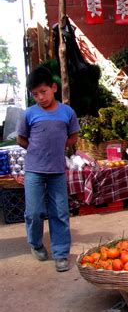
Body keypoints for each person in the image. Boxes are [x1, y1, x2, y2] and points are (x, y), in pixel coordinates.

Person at [16, 67, 80, 272]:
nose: (40, 97)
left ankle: (61, 253)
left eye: (43, 92)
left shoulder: (67, 112)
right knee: (34, 212)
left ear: (54, 88)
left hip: (57, 170)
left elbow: (73, 137)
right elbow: (21, 138)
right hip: (34, 169)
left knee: (60, 212)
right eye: (35, 94)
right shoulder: (29, 114)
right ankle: (35, 243)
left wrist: (58, 148)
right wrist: (36, 151)